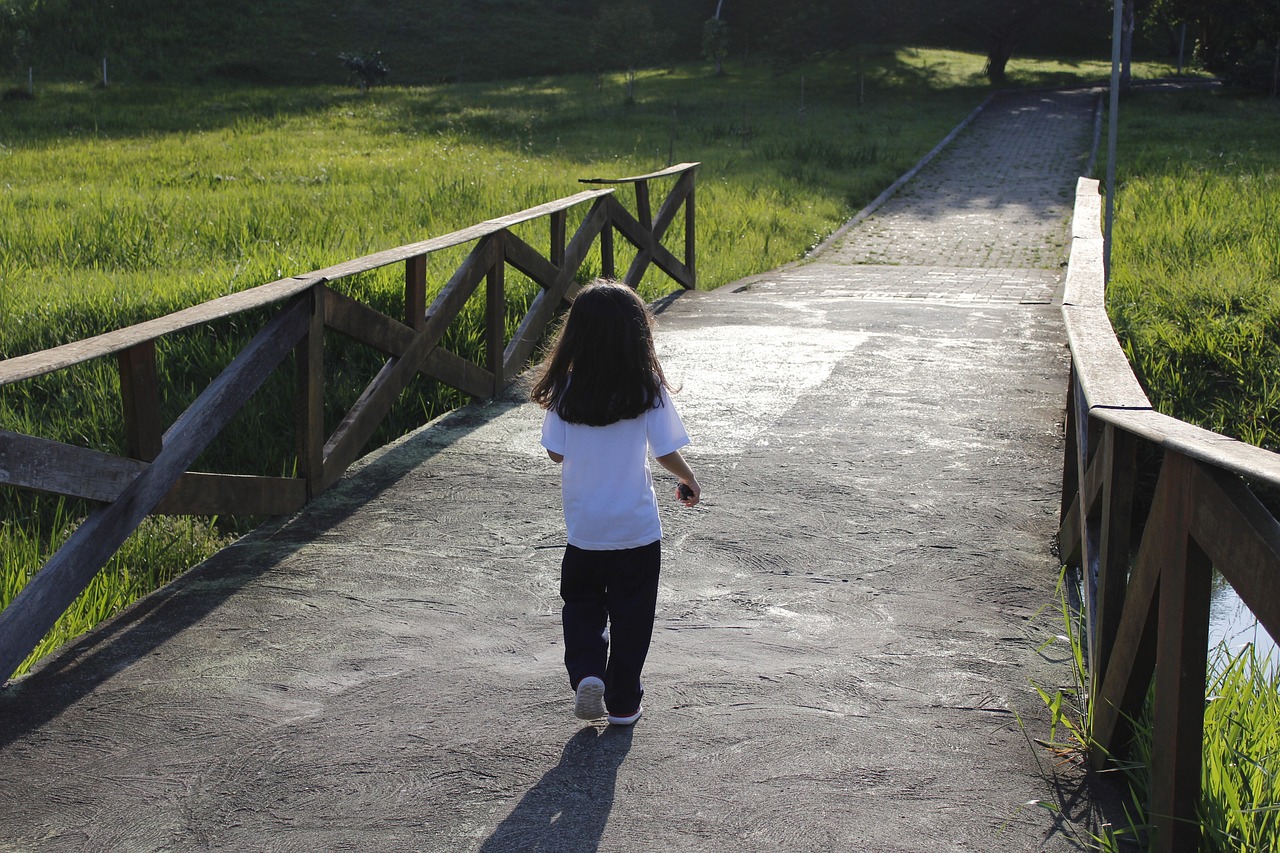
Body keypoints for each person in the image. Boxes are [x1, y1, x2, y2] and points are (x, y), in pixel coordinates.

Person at [531, 278, 701, 727]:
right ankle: (624, 702)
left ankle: (588, 672)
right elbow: (664, 450)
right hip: (637, 531)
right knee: (633, 617)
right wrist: (687, 478)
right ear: (637, 334)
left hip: (586, 532)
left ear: (576, 336)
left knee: (582, 607)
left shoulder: (567, 392)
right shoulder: (648, 389)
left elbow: (555, 452)